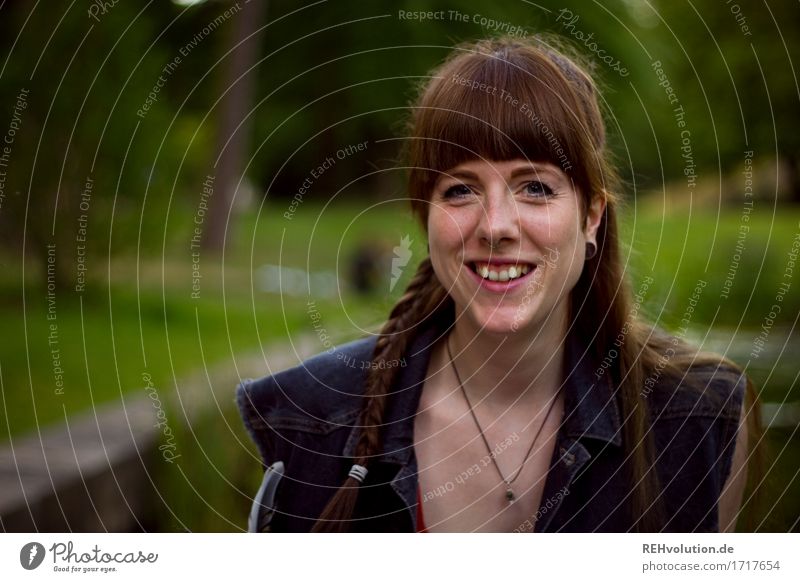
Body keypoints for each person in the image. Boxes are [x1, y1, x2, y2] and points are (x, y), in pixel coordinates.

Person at [237, 35, 761, 533]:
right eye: (461, 189)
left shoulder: (700, 422)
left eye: (535, 187)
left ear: (592, 216)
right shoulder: (311, 420)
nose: (495, 225)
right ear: (425, 218)